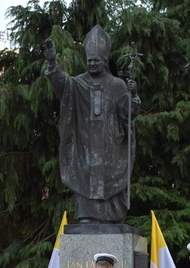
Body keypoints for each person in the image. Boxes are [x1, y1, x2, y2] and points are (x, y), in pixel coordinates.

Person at [44, 25, 141, 223]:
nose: (92, 64)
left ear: (104, 62)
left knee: (112, 180)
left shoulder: (117, 85)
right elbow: (62, 84)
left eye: (96, 60)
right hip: (85, 144)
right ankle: (86, 216)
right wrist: (53, 63)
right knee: (86, 179)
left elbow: (128, 113)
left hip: (111, 146)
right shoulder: (78, 83)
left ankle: (113, 217)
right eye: (89, 61)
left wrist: (133, 95)